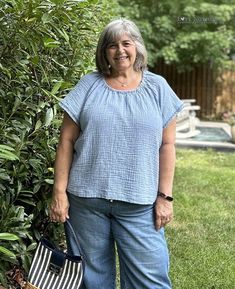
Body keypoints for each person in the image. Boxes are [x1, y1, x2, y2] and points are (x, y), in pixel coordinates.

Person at [50, 18, 183, 289]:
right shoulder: (88, 85)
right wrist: (59, 193)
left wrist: (165, 197)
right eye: (112, 45)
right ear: (104, 52)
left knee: (151, 281)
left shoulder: (158, 88)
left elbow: (167, 146)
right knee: (92, 280)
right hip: (86, 202)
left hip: (140, 204)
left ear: (137, 47)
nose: (120, 50)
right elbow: (66, 141)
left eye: (126, 43)